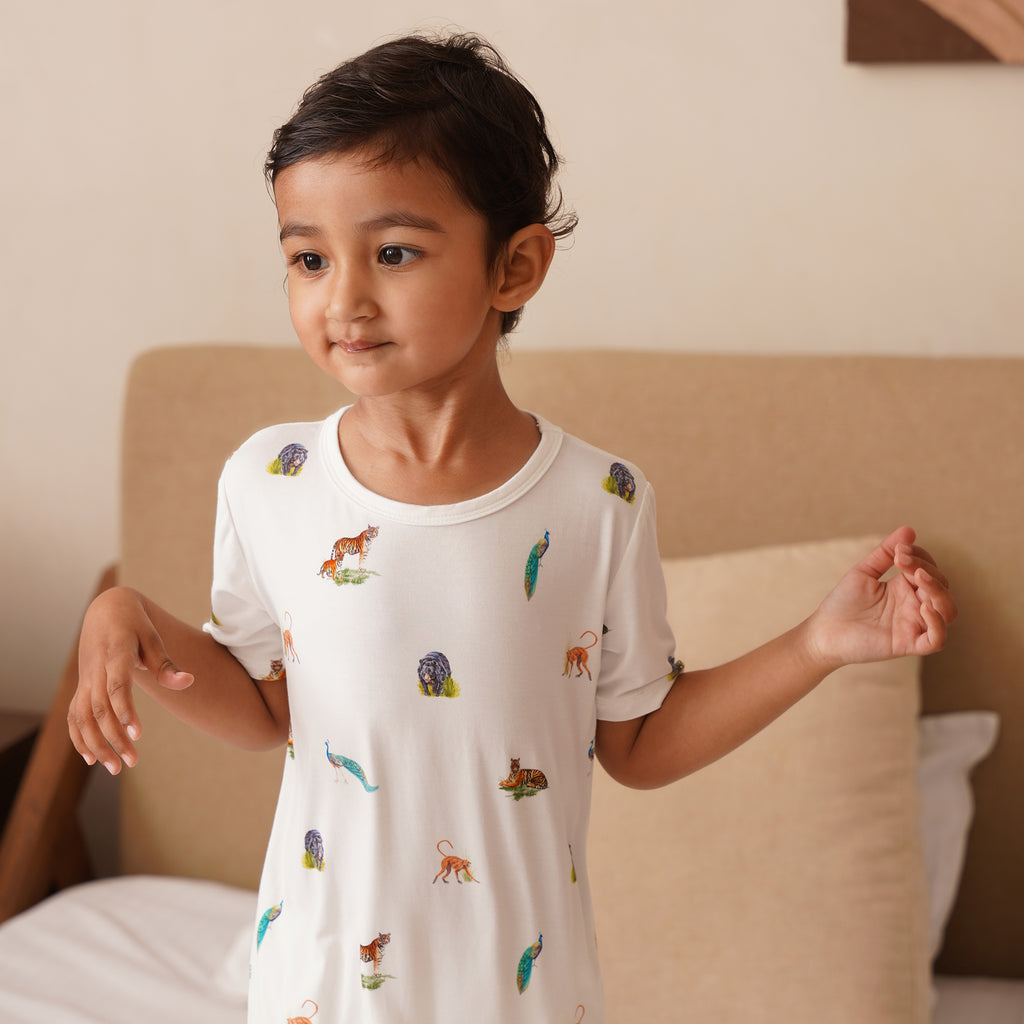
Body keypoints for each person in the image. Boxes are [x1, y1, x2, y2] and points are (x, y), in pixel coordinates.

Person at [68, 32, 957, 1024]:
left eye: (393, 252)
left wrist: (819, 642)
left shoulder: (599, 500)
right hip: (320, 991)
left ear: (516, 265)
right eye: (309, 258)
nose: (344, 298)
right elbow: (262, 707)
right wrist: (128, 616)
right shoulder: (270, 481)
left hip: (521, 995)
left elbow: (641, 741)